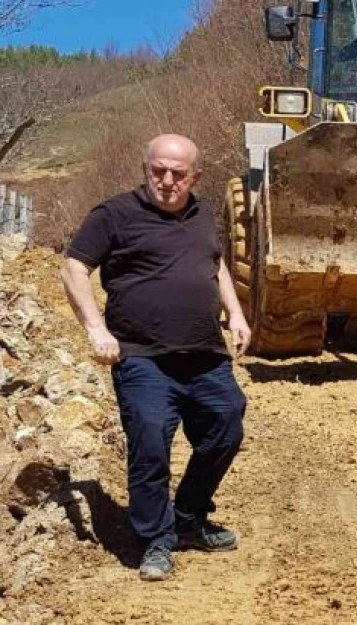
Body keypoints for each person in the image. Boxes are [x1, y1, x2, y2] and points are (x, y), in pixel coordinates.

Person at [59, 134, 252, 582]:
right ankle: (156, 540)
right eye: (158, 171)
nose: (167, 181)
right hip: (141, 356)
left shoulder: (204, 214)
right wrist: (95, 328)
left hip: (204, 354)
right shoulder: (115, 215)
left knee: (227, 423)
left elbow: (216, 263)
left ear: (195, 176)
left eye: (178, 173)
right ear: (146, 170)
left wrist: (236, 313)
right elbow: (74, 267)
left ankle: (188, 516)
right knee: (149, 445)